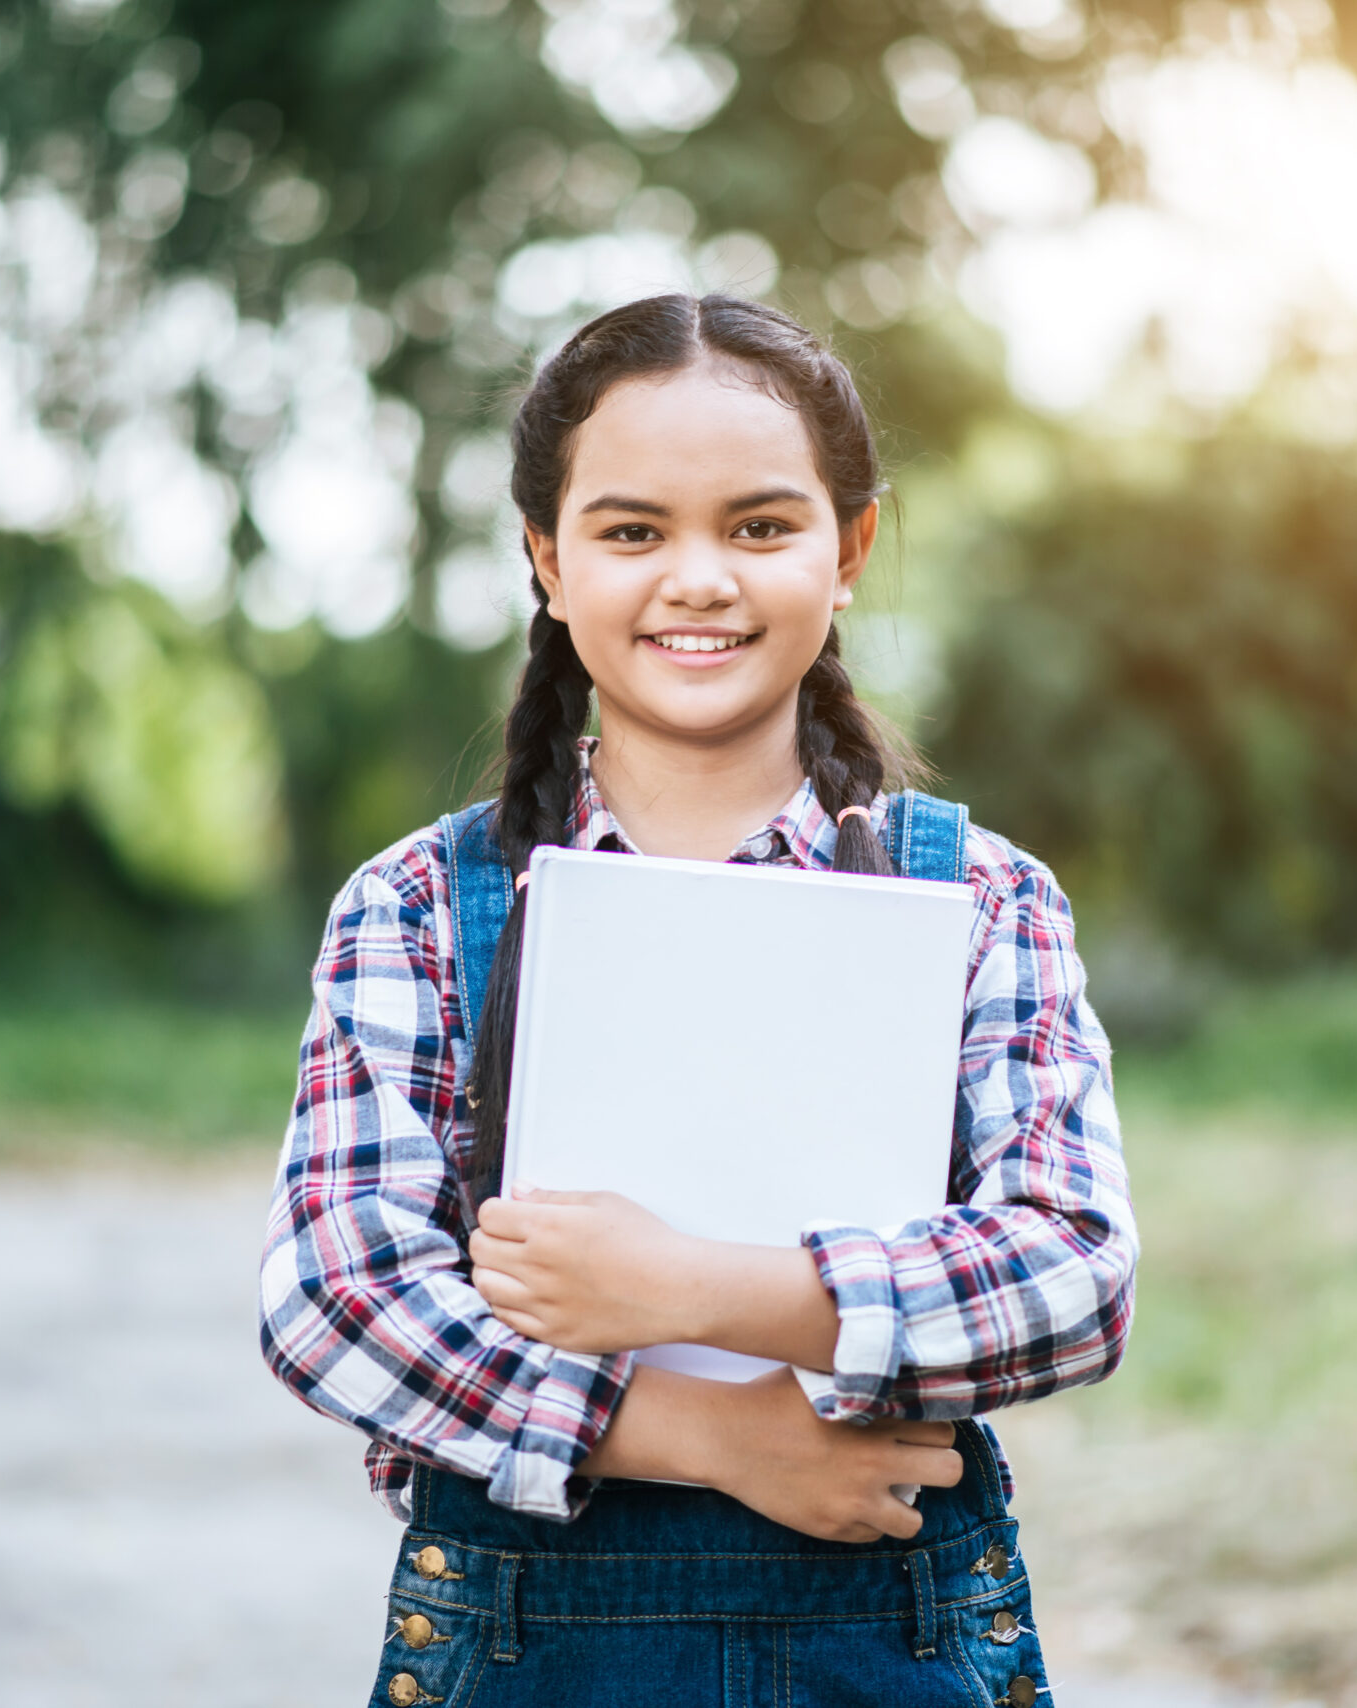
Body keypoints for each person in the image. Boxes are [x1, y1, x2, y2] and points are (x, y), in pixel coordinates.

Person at [259, 292, 1138, 1708]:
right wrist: (710, 1433)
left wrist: (688, 1289)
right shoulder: (418, 908)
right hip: (527, 1638)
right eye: (631, 532)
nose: (698, 579)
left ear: (849, 549)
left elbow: (1072, 1276)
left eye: (759, 525)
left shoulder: (980, 897)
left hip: (889, 1640)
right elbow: (339, 1300)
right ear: (548, 561)